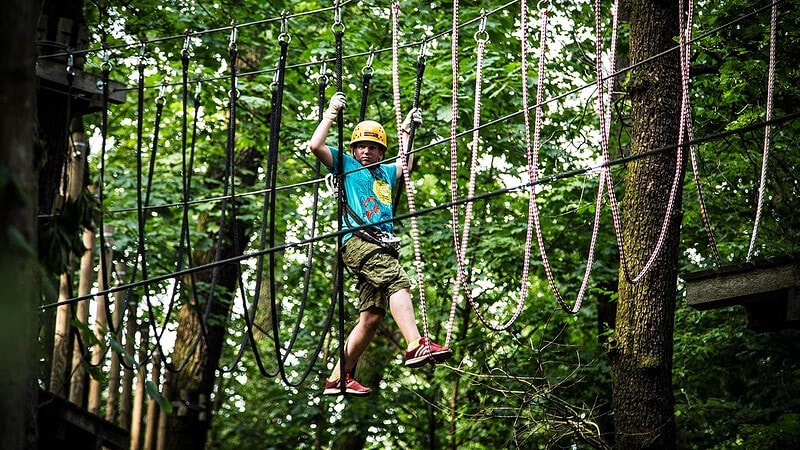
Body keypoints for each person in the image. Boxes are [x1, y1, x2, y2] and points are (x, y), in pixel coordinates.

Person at [309, 92, 452, 396]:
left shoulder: (385, 173)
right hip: (358, 242)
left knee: (372, 317)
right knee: (398, 282)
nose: (365, 152)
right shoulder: (345, 165)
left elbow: (406, 164)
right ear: (353, 148)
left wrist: (406, 132)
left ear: (380, 152)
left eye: (373, 147)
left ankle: (338, 377)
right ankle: (415, 344)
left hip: (379, 246)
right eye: (361, 146)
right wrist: (331, 114)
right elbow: (315, 146)